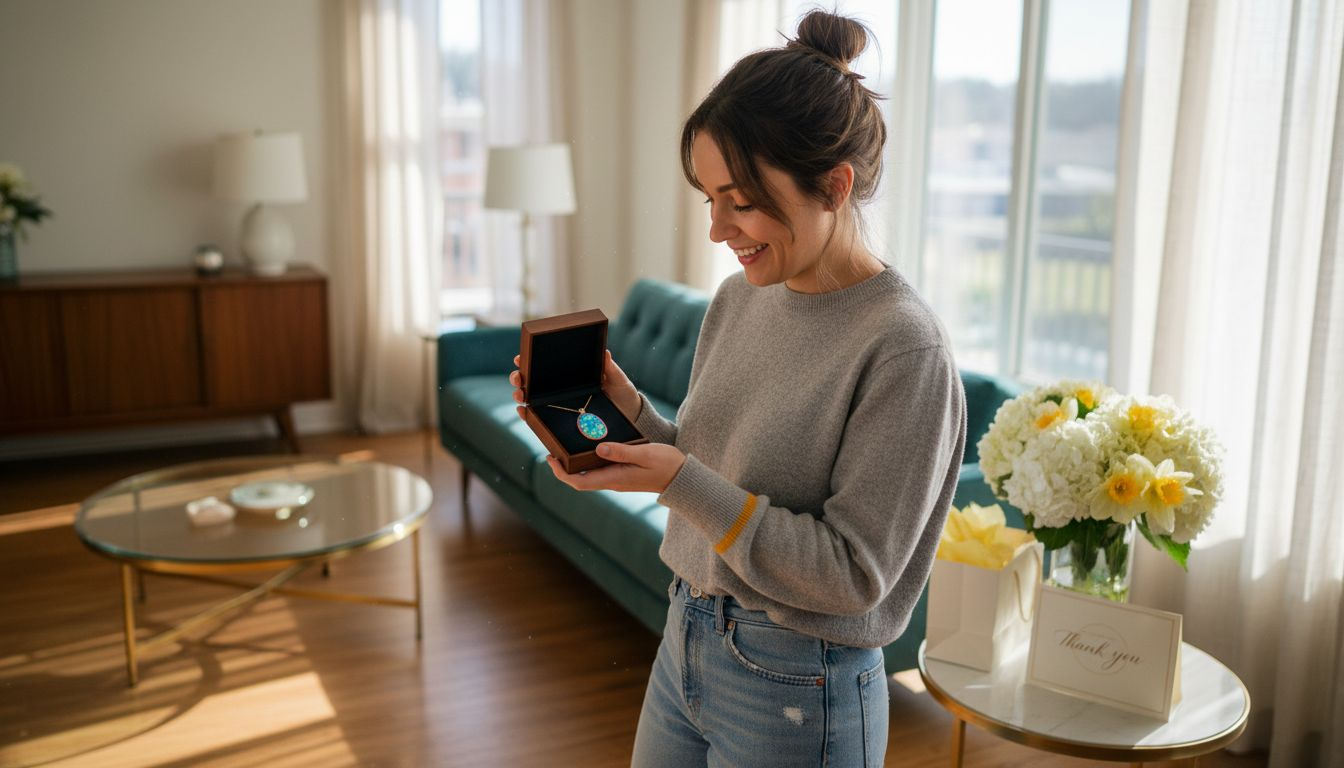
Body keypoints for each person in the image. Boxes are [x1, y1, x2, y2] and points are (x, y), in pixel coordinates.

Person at [509, 10, 966, 767]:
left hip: (801, 683)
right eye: (709, 199)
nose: (719, 229)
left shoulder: (902, 349)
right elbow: (710, 467)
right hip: (686, 635)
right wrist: (628, 414)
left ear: (835, 185)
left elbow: (853, 574)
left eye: (742, 201)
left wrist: (680, 479)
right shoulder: (739, 298)